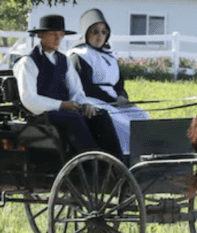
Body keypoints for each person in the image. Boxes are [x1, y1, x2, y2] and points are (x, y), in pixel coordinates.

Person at [12, 14, 122, 158]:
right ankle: (93, 160)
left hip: (65, 110)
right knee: (73, 118)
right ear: (41, 35)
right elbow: (29, 99)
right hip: (40, 115)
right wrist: (62, 105)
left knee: (100, 114)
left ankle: (117, 159)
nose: (58, 39)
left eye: (61, 35)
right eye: (53, 35)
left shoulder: (65, 61)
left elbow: (76, 91)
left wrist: (85, 104)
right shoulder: (28, 62)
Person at [67, 8, 150, 159]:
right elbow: (86, 88)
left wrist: (122, 98)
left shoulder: (110, 56)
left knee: (142, 116)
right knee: (122, 123)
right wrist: (113, 100)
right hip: (91, 101)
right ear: (86, 33)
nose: (100, 37)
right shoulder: (79, 56)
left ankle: (146, 157)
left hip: (113, 102)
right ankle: (125, 159)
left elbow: (119, 84)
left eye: (104, 32)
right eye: (95, 32)